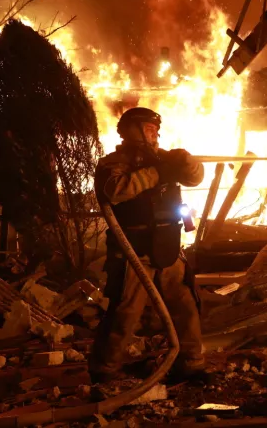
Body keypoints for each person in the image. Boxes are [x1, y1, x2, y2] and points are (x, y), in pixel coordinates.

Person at [90, 107, 206, 382]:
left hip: (168, 246)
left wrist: (186, 161)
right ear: (129, 131)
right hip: (134, 249)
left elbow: (195, 177)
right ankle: (106, 369)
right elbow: (115, 190)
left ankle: (191, 362)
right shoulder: (114, 163)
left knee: (185, 304)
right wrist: (156, 172)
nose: (153, 134)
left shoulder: (166, 160)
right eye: (147, 128)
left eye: (155, 129)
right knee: (126, 312)